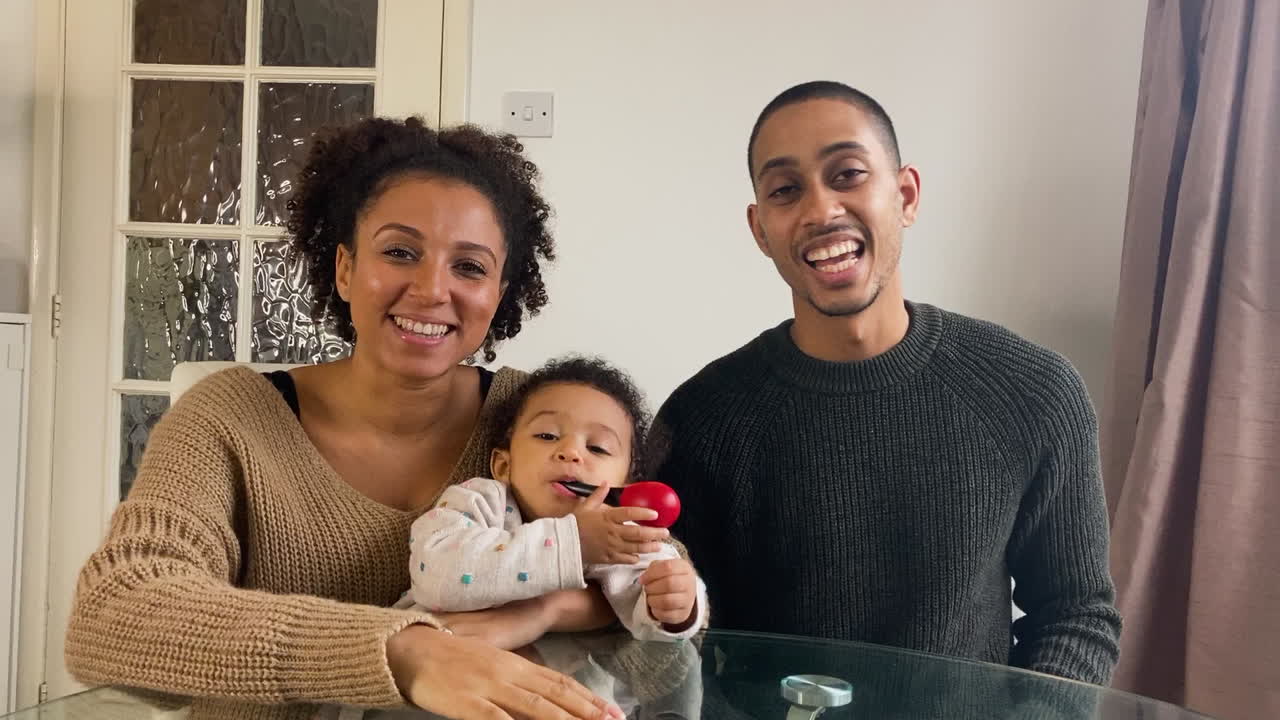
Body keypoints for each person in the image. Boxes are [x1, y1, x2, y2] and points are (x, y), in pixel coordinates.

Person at [64, 116, 627, 720]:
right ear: (344, 268)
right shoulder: (228, 417)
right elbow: (113, 612)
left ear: (498, 292)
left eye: (469, 267)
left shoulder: (542, 419)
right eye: (400, 252)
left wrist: (544, 610)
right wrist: (403, 652)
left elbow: (656, 582)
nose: (433, 289)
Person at [653, 81, 1123, 686]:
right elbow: (668, 638)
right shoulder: (701, 420)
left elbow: (1076, 614)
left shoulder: (1034, 392)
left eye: (847, 174)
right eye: (786, 190)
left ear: (905, 194)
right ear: (760, 228)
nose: (821, 211)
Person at [399, 356, 707, 642]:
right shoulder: (479, 501)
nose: (571, 452)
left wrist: (676, 605)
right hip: (436, 674)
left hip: (557, 691)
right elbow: (434, 575)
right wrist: (571, 543)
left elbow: (651, 610)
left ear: (623, 486)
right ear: (504, 465)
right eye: (547, 436)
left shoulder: (615, 533)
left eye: (597, 448)